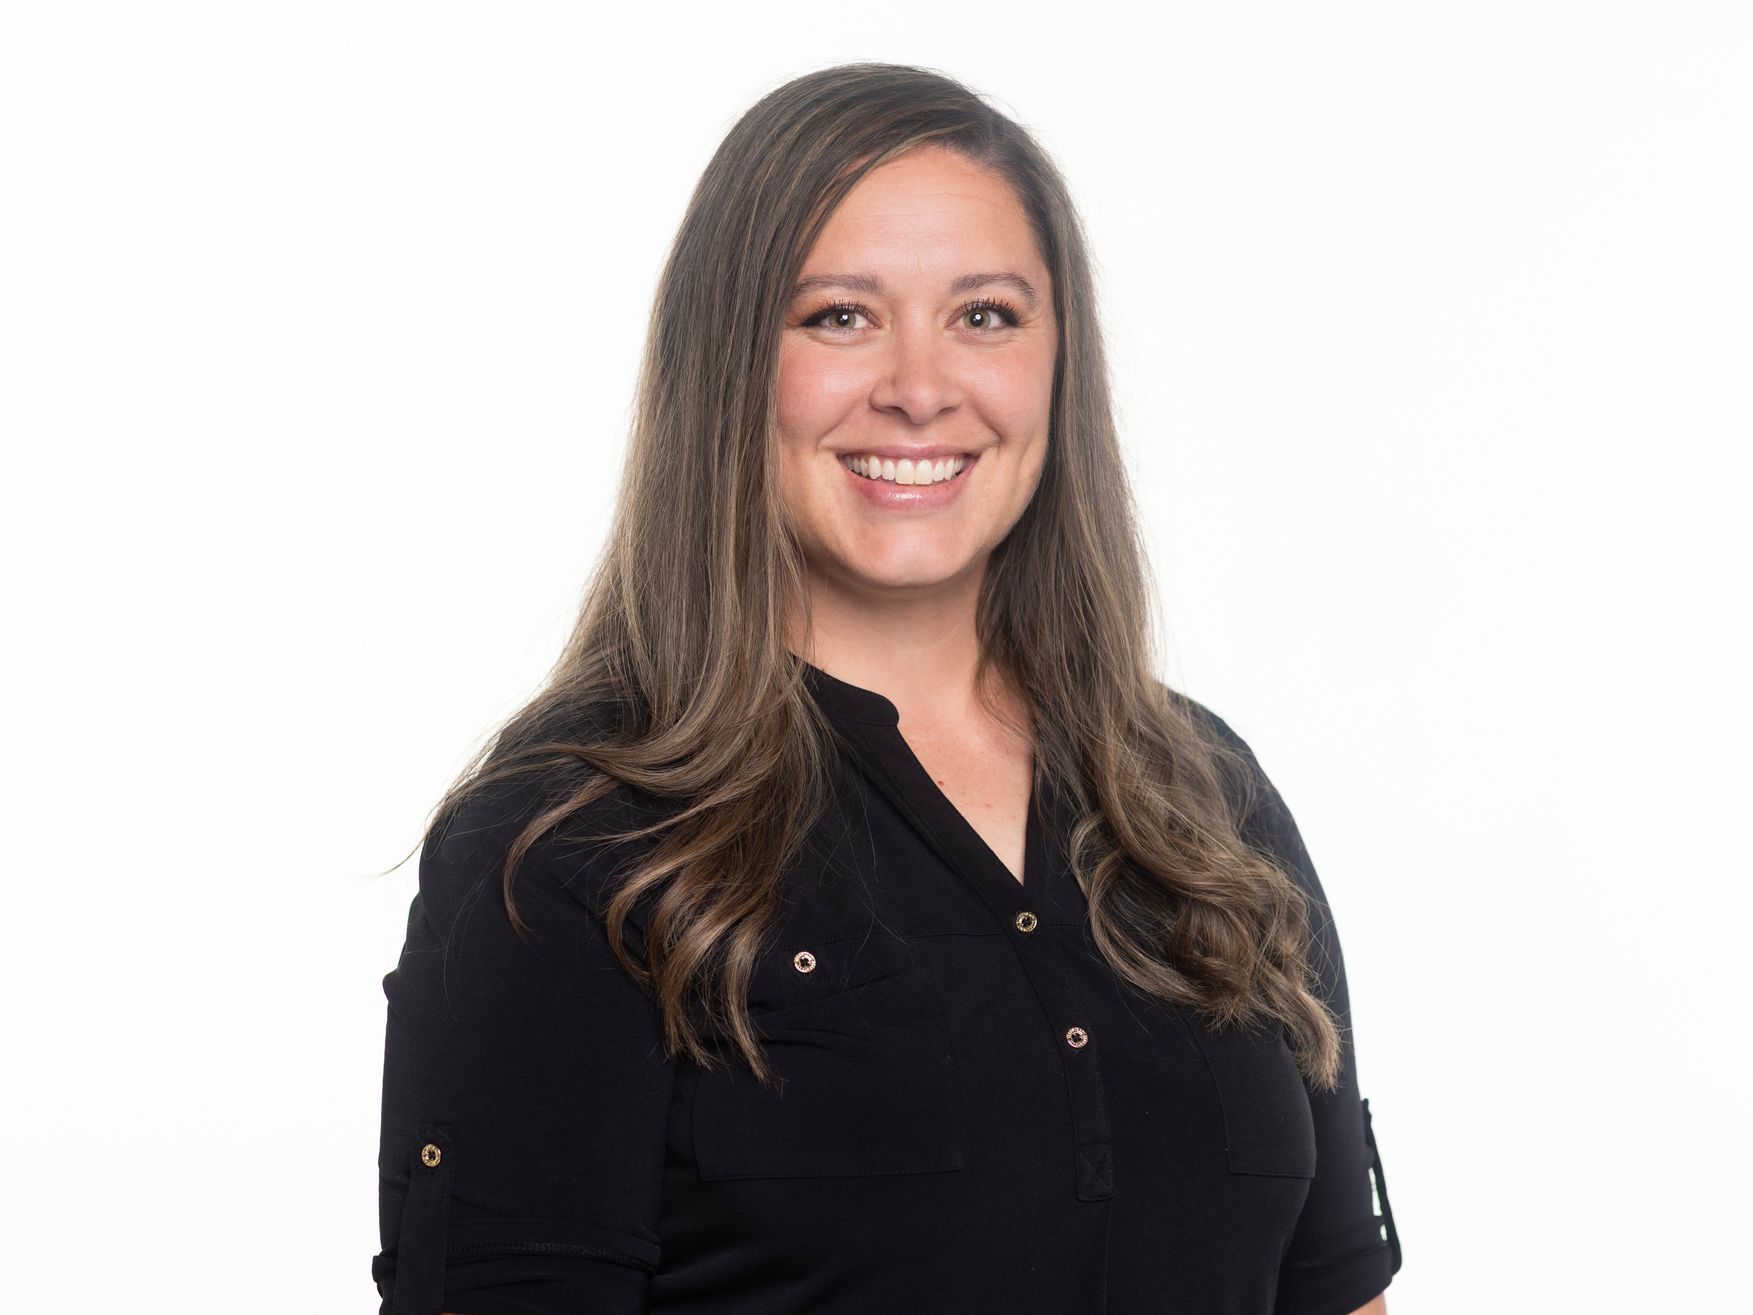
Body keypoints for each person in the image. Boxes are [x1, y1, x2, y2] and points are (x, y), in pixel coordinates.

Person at [371, 61, 1401, 1315]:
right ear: (731, 364)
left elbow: (1339, 1296)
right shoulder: (566, 846)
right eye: (840, 316)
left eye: (985, 315)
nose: (921, 387)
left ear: (1057, 365)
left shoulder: (1206, 803)